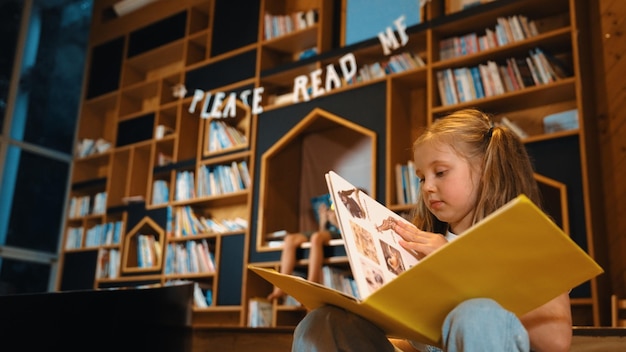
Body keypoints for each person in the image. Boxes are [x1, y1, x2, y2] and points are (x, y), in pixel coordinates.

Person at [291, 108, 573, 351]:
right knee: (324, 323)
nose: (427, 186)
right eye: (421, 177)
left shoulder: (525, 238)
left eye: (440, 172)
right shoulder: (422, 238)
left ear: (488, 169)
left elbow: (557, 340)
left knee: (477, 315)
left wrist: (454, 264)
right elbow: (416, 342)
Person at [267, 198, 341, 301]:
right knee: (289, 239)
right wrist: (323, 221)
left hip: (341, 234)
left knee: (316, 238)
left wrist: (337, 223)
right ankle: (281, 287)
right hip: (326, 234)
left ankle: (311, 284)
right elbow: (322, 232)